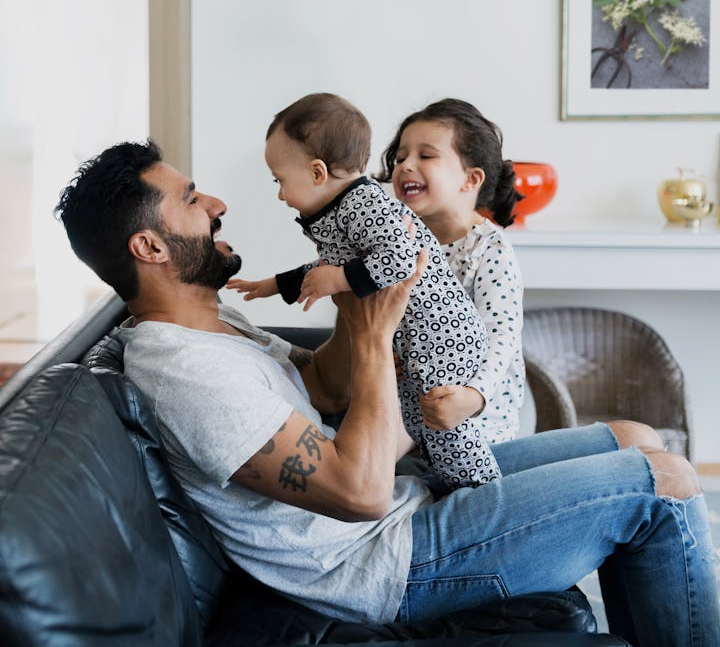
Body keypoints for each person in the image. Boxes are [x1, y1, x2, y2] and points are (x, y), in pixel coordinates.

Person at [55, 139, 720, 646]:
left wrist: (363, 288)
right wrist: (377, 339)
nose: (217, 205)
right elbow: (360, 492)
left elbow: (320, 385)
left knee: (638, 439)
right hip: (381, 564)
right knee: (664, 483)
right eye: (193, 200)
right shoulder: (181, 369)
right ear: (149, 245)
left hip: (406, 510)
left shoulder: (214, 320)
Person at [227, 92, 501, 489]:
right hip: (414, 343)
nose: (281, 195)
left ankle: (481, 491)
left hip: (441, 336)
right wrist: (273, 285)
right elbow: (334, 265)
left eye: (280, 181)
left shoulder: (363, 203)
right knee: (416, 422)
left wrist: (338, 281)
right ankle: (446, 484)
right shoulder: (341, 208)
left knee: (444, 427)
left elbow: (401, 259)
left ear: (318, 172)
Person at [378, 98, 524, 444]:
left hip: (478, 430)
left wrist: (474, 396)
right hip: (405, 418)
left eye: (425, 156)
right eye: (400, 158)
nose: (406, 165)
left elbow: (501, 337)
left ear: (470, 179)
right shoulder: (396, 241)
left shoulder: (488, 248)